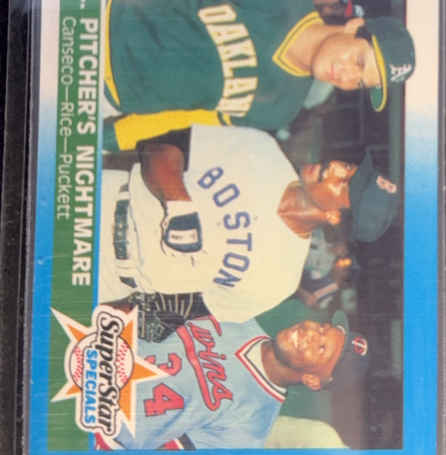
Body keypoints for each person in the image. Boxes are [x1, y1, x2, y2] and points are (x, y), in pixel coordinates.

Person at [102, 0, 415, 150]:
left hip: (107, 101)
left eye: (359, 82)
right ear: (354, 27)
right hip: (97, 26)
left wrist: (115, 138)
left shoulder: (282, 109)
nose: (347, 76)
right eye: (359, 61)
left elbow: (185, 115)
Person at [99, 128, 401, 335]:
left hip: (113, 279)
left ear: (335, 217)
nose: (334, 167)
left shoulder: (279, 282)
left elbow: (175, 313)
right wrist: (178, 205)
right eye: (347, 167)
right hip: (107, 197)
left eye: (344, 184)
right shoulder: (261, 150)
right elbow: (158, 147)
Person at [95, 310, 367, 450]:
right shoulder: (240, 319)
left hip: (97, 427)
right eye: (323, 328)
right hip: (93, 354)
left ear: (312, 380)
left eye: (321, 347)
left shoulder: (251, 428)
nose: (310, 332)